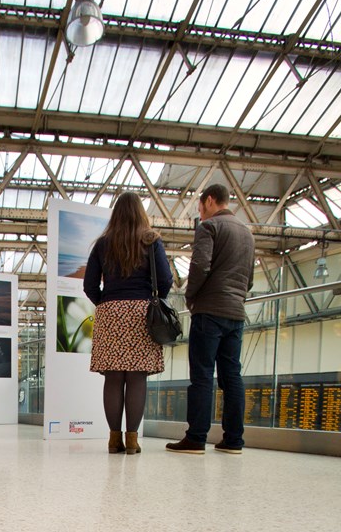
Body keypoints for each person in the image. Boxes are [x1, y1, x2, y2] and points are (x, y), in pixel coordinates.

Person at [166, 183, 255, 456]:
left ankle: (196, 438)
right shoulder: (247, 233)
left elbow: (200, 265)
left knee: (202, 376)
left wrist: (190, 297)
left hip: (210, 311)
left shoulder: (208, 227)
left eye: (200, 207)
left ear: (211, 200)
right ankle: (233, 440)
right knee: (232, 377)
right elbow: (249, 279)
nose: (200, 213)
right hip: (236, 313)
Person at [84, 190, 173, 455]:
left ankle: (114, 439)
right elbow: (166, 280)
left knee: (113, 378)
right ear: (140, 213)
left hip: (111, 312)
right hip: (141, 313)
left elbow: (89, 285)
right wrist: (149, 301)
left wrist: (106, 301)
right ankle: (133, 441)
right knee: (136, 378)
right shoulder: (151, 241)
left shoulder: (103, 243)